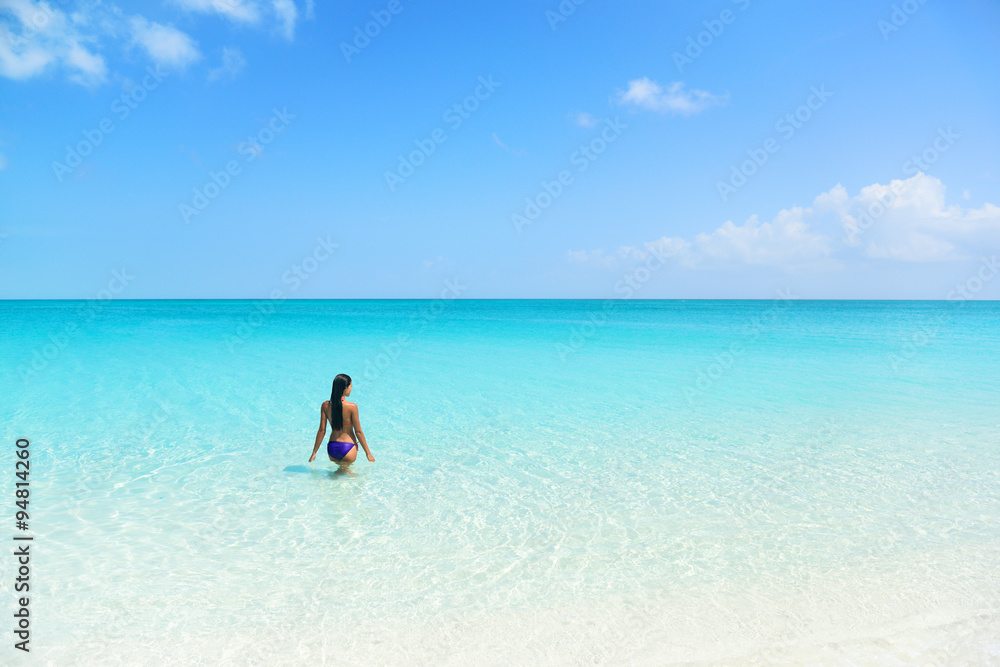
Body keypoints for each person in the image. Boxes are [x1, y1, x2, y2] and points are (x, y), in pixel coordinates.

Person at [308, 374, 374, 465]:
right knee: (347, 475)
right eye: (351, 386)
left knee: (339, 473)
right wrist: (368, 453)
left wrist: (314, 452)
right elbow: (358, 431)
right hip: (348, 447)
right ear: (345, 388)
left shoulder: (325, 405)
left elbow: (322, 431)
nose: (351, 389)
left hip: (332, 448)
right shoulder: (352, 407)